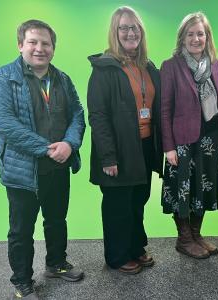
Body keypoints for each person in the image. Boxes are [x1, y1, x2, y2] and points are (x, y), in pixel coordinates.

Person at [0, 19, 85, 299]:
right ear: (20, 45)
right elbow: (3, 122)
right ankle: (22, 280)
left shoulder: (63, 79)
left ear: (53, 48)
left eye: (46, 43)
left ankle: (56, 264)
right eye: (33, 42)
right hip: (23, 171)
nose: (39, 48)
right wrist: (47, 148)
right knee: (21, 229)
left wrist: (69, 143)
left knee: (56, 219)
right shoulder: (3, 77)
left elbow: (77, 115)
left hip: (58, 166)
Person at [87, 6, 163, 275]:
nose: (130, 33)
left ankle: (135, 247)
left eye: (135, 28)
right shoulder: (104, 68)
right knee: (118, 205)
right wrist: (107, 157)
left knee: (138, 200)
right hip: (118, 149)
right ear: (115, 32)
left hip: (144, 146)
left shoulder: (148, 67)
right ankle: (117, 256)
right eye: (124, 28)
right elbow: (98, 116)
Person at [160, 12, 218, 259]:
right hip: (182, 142)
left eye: (200, 33)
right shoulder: (170, 66)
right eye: (190, 34)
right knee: (182, 189)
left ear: (207, 36)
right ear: (182, 37)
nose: (196, 38)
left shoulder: (215, 64)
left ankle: (196, 234)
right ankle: (184, 239)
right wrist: (168, 147)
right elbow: (165, 109)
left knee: (204, 188)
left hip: (212, 139)